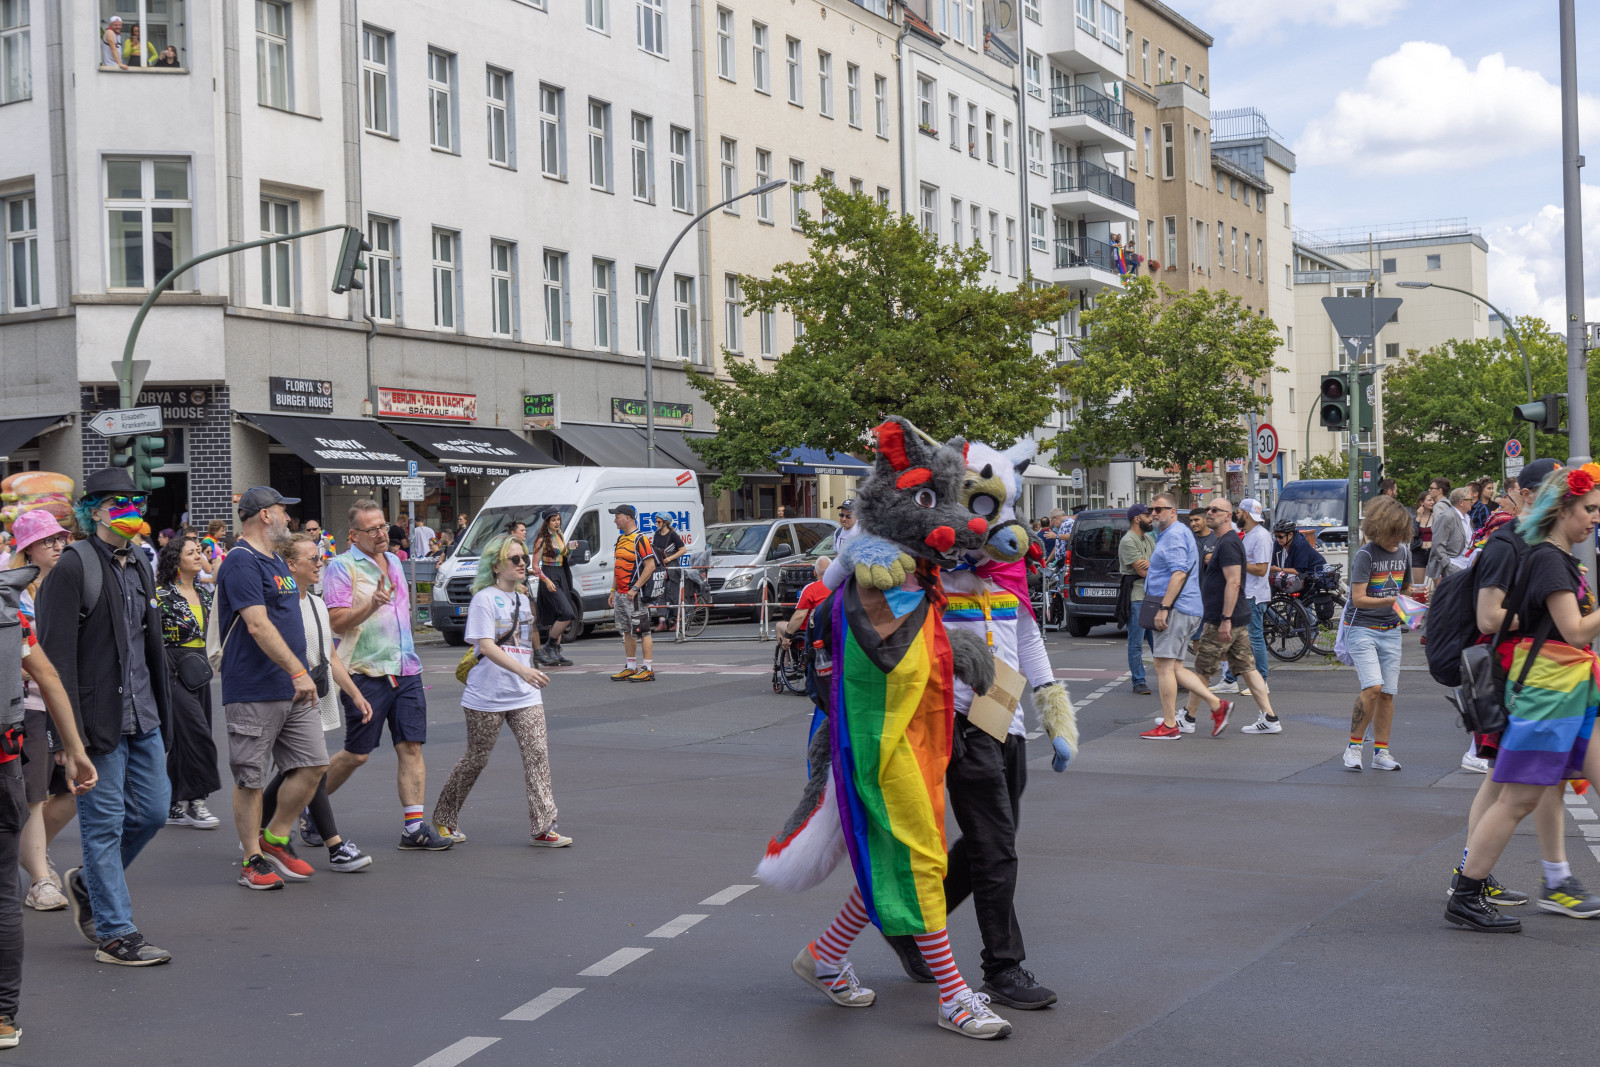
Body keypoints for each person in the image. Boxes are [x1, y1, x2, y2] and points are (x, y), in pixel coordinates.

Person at [1448, 463, 1600, 932]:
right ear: (1562, 510)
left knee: (1519, 797)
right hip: (1549, 695)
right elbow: (1575, 632)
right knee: (1517, 800)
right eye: (1589, 509)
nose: (1595, 518)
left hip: (1570, 690)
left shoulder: (1557, 556)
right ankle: (1466, 894)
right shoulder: (1550, 560)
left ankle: (1490, 889)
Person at [36, 468, 174, 965]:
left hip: (144, 714)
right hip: (96, 723)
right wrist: (64, 739)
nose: (131, 510)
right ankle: (116, 934)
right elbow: (53, 659)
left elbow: (146, 645)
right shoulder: (74, 567)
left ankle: (88, 884)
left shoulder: (140, 561)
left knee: (154, 811)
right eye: (119, 503)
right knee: (103, 826)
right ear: (93, 511)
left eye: (136, 502)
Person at [2, 566, 98, 1052]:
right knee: (3, 892)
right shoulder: (8, 608)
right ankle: (3, 1017)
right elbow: (48, 675)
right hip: (4, 760)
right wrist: (75, 748)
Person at [215, 487, 329, 890]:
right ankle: (252, 860)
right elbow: (257, 624)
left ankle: (275, 838)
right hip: (254, 688)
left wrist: (301, 673)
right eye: (282, 511)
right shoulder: (241, 561)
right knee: (251, 778)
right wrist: (299, 671)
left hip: (292, 686)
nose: (288, 518)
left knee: (314, 765)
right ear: (265, 515)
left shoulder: (278, 560)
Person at [322, 499, 452, 850]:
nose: (382, 534)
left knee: (411, 746)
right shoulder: (341, 567)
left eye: (383, 526)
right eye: (372, 529)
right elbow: (336, 622)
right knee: (357, 753)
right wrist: (371, 605)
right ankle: (310, 805)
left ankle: (414, 828)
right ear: (354, 535)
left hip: (406, 669)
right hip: (366, 671)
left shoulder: (394, 561)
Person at [432, 534, 570, 847]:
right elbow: (486, 646)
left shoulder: (523, 597)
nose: (522, 564)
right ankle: (444, 817)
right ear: (496, 566)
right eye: (515, 559)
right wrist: (524, 670)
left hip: (525, 694)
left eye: (524, 558)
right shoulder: (484, 599)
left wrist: (535, 660)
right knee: (476, 758)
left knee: (537, 756)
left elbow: (527, 638)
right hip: (487, 694)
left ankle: (543, 826)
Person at [260, 534, 373, 873]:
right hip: (289, 698)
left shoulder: (316, 603)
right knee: (314, 767)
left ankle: (257, 830)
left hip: (317, 695)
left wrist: (354, 693)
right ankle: (334, 846)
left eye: (319, 557)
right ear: (290, 565)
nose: (320, 562)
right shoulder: (279, 606)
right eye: (313, 558)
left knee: (299, 770)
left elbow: (330, 656)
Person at [9, 510, 78, 912]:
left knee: (75, 789)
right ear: (27, 549)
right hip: (31, 707)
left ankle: (31, 851)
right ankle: (39, 879)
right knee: (34, 797)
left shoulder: (68, 585)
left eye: (60, 539)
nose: (57, 546)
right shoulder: (13, 594)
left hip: (67, 705)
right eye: (47, 540)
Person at [1181, 497, 1281, 736]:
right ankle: (1270, 717)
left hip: (1223, 619)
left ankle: (1188, 717)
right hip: (1233, 617)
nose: (1210, 513)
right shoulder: (1226, 541)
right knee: (1247, 667)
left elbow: (1234, 582)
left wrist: (1225, 619)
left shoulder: (1228, 543)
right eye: (1209, 509)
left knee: (1203, 668)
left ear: (1228, 516)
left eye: (1215, 510)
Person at [1140, 494, 1232, 740]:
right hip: (1185, 607)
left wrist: (1164, 608)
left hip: (1176, 608)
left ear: (1173, 511)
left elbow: (1179, 572)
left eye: (1160, 509)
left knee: (1163, 666)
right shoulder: (1177, 533)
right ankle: (1217, 705)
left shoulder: (1174, 535)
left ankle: (1170, 725)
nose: (1154, 513)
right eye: (1152, 509)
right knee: (1173, 666)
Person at [1341, 495, 1414, 771]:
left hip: (1391, 629)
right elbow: (1358, 599)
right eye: (1393, 533)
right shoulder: (1366, 555)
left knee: (1387, 693)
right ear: (1380, 529)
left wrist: (1413, 597)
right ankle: (1354, 747)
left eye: (1401, 533)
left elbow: (1405, 589)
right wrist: (1391, 599)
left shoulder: (1404, 553)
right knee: (1373, 687)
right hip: (1362, 628)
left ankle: (1381, 752)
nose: (1397, 539)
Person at [154, 537, 221, 831]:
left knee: (187, 736)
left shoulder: (205, 595)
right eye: (191, 552)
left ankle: (172, 803)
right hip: (172, 667)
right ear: (176, 560)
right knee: (198, 733)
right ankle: (197, 801)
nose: (198, 556)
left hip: (200, 669)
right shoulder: (161, 595)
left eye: (198, 552)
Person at [1218, 498, 1272, 695]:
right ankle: (1230, 680)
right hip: (1246, 594)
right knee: (1235, 638)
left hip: (1254, 595)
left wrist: (1238, 562)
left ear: (1247, 514)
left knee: (1255, 638)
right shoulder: (1250, 534)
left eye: (1239, 512)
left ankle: (1261, 682)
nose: (1237, 515)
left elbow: (1261, 569)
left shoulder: (1261, 536)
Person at [607, 505, 657, 683]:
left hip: (634, 595)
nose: (615, 520)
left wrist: (635, 588)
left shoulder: (640, 539)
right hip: (621, 594)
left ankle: (648, 669)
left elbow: (650, 566)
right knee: (627, 631)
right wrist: (613, 590)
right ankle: (631, 666)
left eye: (617, 516)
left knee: (643, 631)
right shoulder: (621, 539)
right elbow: (618, 566)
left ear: (627, 517)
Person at [1117, 504, 1156, 696]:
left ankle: (1170, 676)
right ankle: (1139, 681)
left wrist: (1152, 564)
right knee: (1136, 642)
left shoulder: (1148, 538)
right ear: (1137, 519)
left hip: (1151, 595)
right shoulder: (1128, 541)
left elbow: (1159, 564)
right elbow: (1142, 572)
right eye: (1147, 516)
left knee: (1158, 642)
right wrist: (1153, 566)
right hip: (1136, 597)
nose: (1151, 518)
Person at [530, 510, 576, 666]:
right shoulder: (542, 540)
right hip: (549, 574)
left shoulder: (560, 535)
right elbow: (535, 566)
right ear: (547, 523)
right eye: (553, 520)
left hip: (561, 574)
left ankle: (556, 651)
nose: (557, 522)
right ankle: (550, 645)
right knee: (567, 613)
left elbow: (565, 556)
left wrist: (570, 549)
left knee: (560, 614)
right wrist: (546, 580)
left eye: (558, 519)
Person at [775, 556, 831, 640]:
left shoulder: (810, 589)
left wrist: (787, 635)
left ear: (815, 573)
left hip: (809, 632)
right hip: (832, 631)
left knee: (779, 626)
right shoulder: (839, 587)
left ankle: (785, 646)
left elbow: (799, 616)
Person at [649, 513, 687, 632]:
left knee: (673, 594)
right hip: (661, 567)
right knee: (660, 593)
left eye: (659, 522)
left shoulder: (672, 535)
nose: (656, 524)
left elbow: (683, 549)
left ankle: (678, 621)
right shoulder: (657, 534)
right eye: (656, 522)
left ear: (665, 523)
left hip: (672, 567)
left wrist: (669, 559)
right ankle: (662, 622)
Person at [1427, 487, 1472, 583]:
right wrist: (1447, 564)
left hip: (1466, 565)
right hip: (1454, 566)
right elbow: (1437, 543)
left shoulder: (1467, 518)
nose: (1472, 502)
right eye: (1469, 499)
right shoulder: (1447, 516)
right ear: (1461, 502)